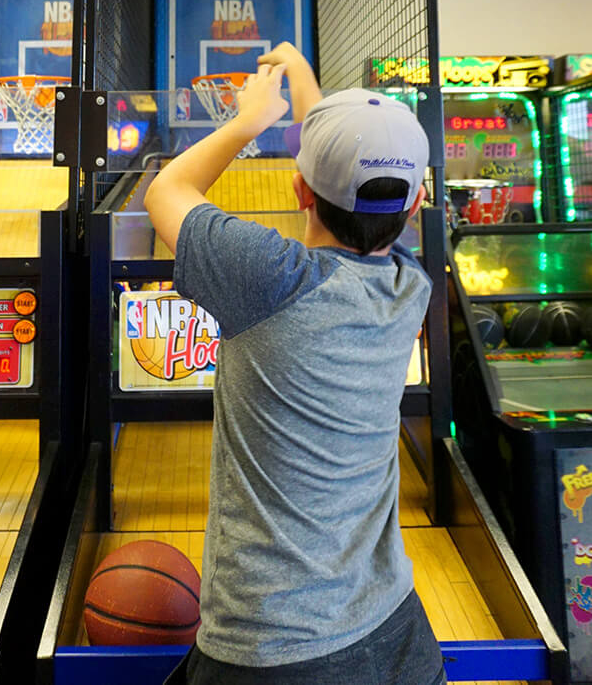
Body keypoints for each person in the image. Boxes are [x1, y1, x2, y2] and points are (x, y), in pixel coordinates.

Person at [144, 41, 445, 685]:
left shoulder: (269, 278)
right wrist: (306, 82)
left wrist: (248, 119)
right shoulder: (407, 282)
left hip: (275, 650)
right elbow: (342, 180)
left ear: (297, 189)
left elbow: (167, 188)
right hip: (398, 636)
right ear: (415, 205)